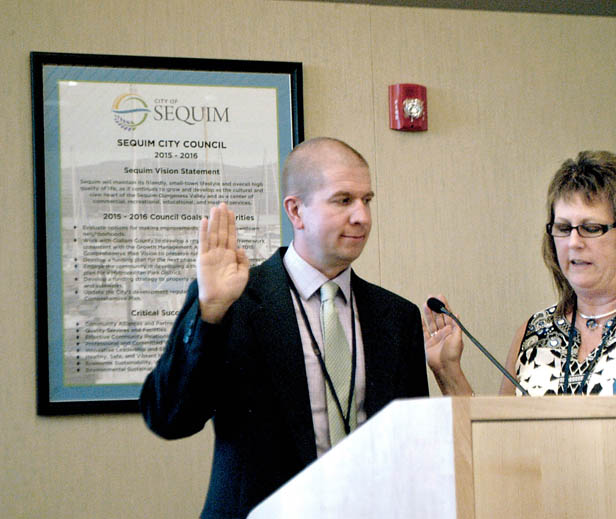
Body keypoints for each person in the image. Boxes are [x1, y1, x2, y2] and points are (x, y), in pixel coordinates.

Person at [140, 137, 429, 519]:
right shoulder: (235, 302)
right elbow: (169, 417)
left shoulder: (396, 316)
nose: (362, 216)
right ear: (296, 211)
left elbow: (410, 449)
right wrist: (210, 312)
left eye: (367, 200)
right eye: (343, 200)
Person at [425, 150, 616, 396]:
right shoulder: (532, 332)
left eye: (591, 228)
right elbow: (495, 442)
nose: (574, 243)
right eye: (563, 228)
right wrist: (448, 371)